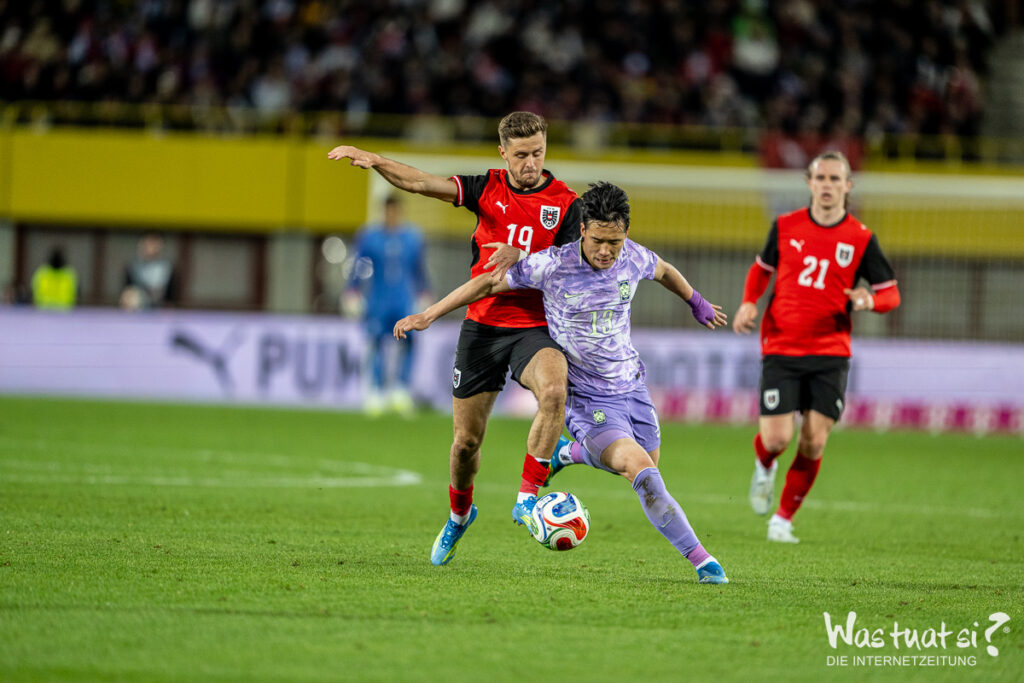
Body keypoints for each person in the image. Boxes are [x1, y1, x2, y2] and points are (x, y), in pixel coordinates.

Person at [395, 182, 731, 584]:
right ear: (583, 229)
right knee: (642, 471)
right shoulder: (553, 264)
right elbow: (488, 283)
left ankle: (567, 454)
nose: (606, 251)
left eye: (615, 242)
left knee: (648, 462)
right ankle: (703, 562)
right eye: (598, 241)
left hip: (632, 386)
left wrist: (696, 301)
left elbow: (665, 271)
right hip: (586, 398)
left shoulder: (633, 256)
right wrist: (430, 314)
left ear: (625, 233)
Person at [329, 112, 582, 566]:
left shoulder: (565, 203)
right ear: (503, 153)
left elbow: (572, 268)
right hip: (482, 325)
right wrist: (376, 160)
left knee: (554, 391)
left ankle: (526, 498)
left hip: (535, 325)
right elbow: (421, 183)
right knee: (466, 443)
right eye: (521, 155)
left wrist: (523, 256)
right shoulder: (487, 189)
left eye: (538, 153)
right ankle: (459, 516)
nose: (530, 163)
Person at [732, 150, 901, 543]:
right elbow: (762, 270)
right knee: (776, 439)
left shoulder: (861, 238)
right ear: (809, 183)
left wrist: (868, 301)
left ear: (848, 186)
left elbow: (890, 293)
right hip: (781, 346)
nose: (827, 185)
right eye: (820, 178)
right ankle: (765, 464)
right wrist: (748, 302)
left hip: (830, 352)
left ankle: (783, 519)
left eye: (835, 178)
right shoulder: (785, 226)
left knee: (814, 440)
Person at [344, 195, 431, 417]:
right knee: (376, 342)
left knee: (409, 341)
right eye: (388, 211)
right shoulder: (370, 237)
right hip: (378, 298)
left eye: (395, 210)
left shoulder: (412, 238)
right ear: (384, 212)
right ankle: (376, 390)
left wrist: (424, 291)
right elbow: (358, 265)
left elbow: (419, 269)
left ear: (400, 211)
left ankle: (401, 389)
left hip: (404, 299)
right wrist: (352, 291)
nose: (391, 215)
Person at [121, 232, 179, 310]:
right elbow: (127, 291)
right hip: (137, 308)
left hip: (161, 309)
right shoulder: (132, 267)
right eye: (148, 244)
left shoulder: (168, 268)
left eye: (154, 244)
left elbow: (172, 296)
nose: (151, 248)